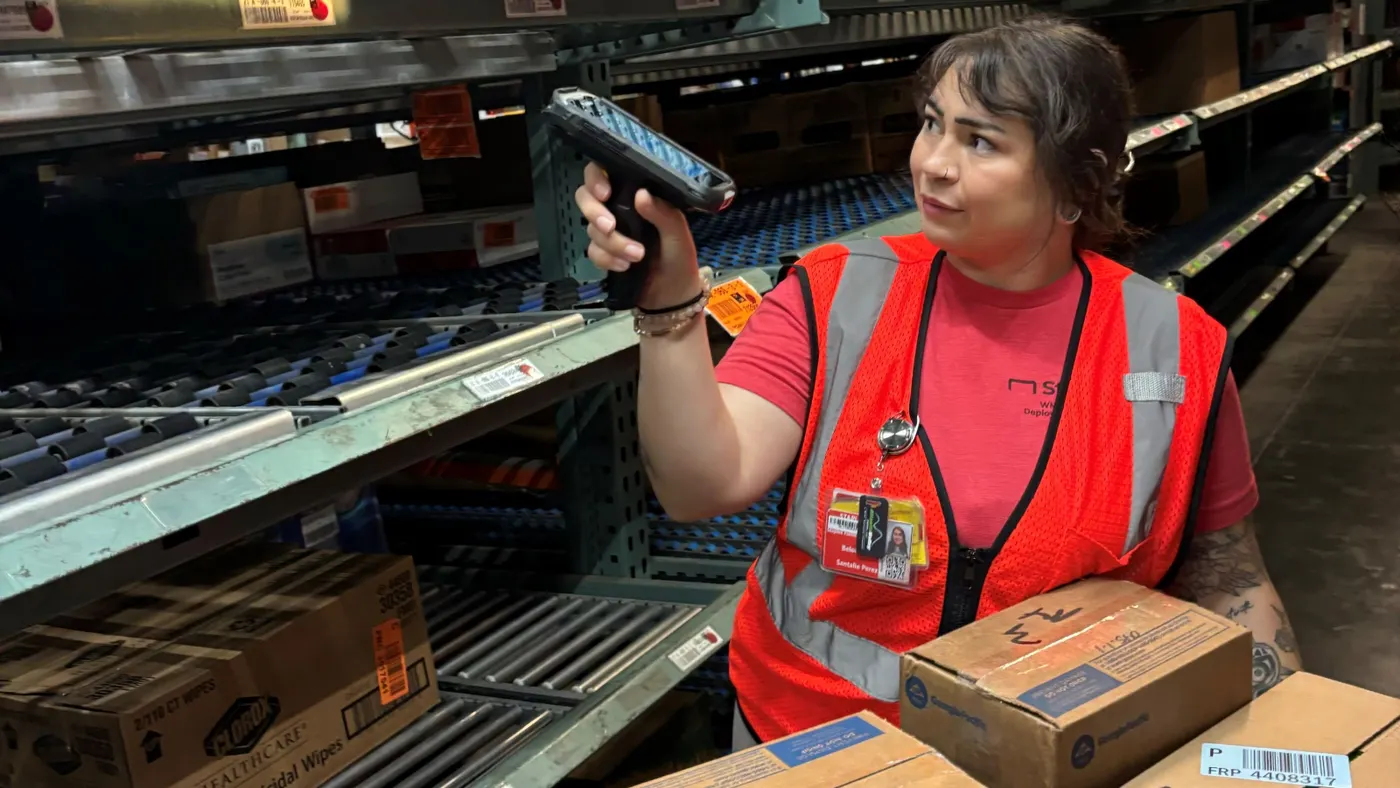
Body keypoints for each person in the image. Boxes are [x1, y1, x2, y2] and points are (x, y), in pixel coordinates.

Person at [574, 15, 1302, 747]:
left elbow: (1231, 580)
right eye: (932, 124)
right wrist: (668, 303)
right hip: (813, 742)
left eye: (979, 140)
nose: (932, 162)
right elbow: (703, 486)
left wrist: (1291, 743)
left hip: (1048, 757)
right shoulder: (834, 297)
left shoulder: (1175, 348)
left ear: (1078, 180)